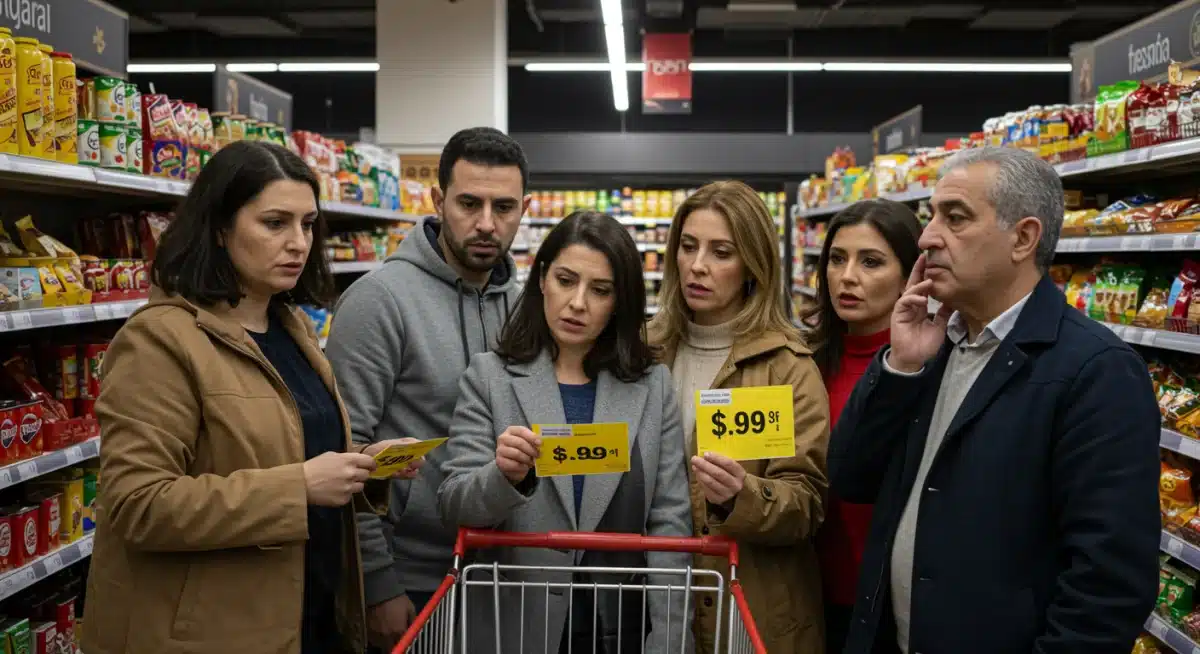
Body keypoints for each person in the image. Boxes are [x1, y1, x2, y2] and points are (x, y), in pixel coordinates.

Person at [80, 141, 423, 654]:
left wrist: (361, 468)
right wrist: (299, 487)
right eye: (275, 223)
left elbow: (283, 450)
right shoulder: (158, 341)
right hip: (216, 633)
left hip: (309, 615)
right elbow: (138, 505)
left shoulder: (292, 329)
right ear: (220, 228)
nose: (298, 243)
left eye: (308, 224)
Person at [829, 146, 1160, 654]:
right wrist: (900, 367)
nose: (927, 237)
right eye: (931, 215)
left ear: (1023, 238)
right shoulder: (933, 345)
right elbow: (851, 476)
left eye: (955, 217)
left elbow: (1107, 585)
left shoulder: (1096, 371)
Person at [438, 211, 694, 654]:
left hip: (620, 626)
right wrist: (503, 477)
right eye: (565, 280)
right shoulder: (490, 378)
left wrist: (670, 638)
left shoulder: (653, 387)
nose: (578, 303)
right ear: (541, 279)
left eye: (600, 290)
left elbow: (669, 520)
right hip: (515, 625)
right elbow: (453, 504)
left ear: (620, 301)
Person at [323, 126, 529, 648]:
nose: (487, 223)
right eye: (469, 203)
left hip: (499, 572)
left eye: (504, 207)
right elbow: (344, 448)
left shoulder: (527, 307)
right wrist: (376, 582)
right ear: (438, 202)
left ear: (524, 210)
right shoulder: (378, 301)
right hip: (410, 576)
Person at [647, 180, 830, 654]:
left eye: (721, 252)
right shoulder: (644, 353)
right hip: (656, 605)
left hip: (751, 613)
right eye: (688, 246)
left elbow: (807, 504)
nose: (698, 265)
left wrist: (741, 496)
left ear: (752, 264)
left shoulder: (787, 366)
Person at [803, 199, 922, 653]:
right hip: (808, 594)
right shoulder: (800, 364)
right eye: (837, 259)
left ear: (910, 275)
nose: (846, 277)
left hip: (893, 607)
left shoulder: (928, 369)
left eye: (870, 262)